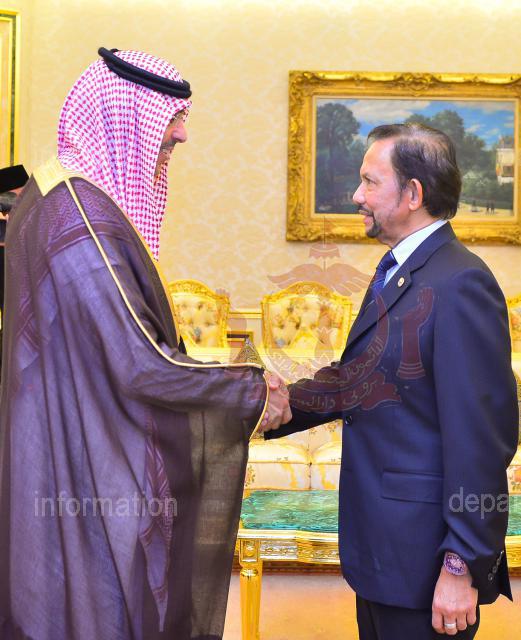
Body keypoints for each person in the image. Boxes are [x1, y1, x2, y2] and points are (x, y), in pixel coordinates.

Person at [0, 48, 289, 640]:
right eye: (172, 117)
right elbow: (140, 362)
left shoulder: (56, 196)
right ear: (122, 114)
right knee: (96, 607)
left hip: (72, 436)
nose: (182, 134)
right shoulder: (79, 217)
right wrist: (253, 390)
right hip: (81, 457)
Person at [266, 123, 518, 639]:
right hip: (387, 554)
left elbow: (482, 442)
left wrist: (462, 565)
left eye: (369, 181)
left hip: (427, 562)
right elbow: (356, 379)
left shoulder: (460, 282)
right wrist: (274, 404)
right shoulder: (401, 269)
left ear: (413, 194)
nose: (356, 196)